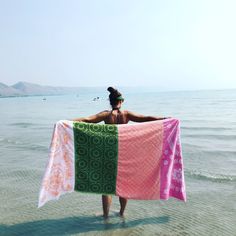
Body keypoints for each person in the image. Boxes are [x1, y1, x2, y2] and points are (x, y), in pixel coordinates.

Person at [72, 87, 167, 218]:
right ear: (121, 101)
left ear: (110, 101)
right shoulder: (126, 114)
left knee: (106, 187)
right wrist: (164, 118)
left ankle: (105, 215)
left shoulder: (106, 114)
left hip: (108, 153)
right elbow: (146, 118)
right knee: (124, 184)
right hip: (125, 153)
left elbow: (87, 120)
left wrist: (67, 122)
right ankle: (121, 213)